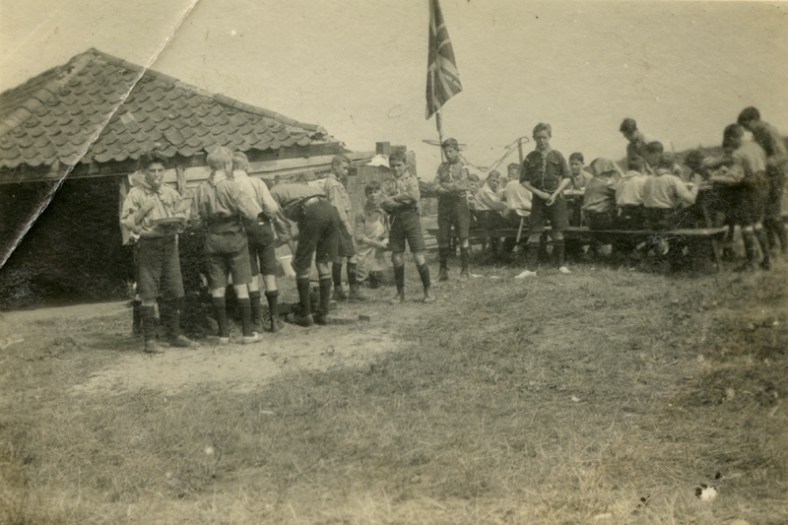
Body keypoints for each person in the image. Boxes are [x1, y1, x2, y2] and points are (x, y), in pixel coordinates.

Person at [121, 151, 195, 353]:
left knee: (173, 291)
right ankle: (150, 340)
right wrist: (144, 209)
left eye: (160, 170)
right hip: (148, 247)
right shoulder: (135, 195)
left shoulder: (170, 192)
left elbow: (183, 213)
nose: (157, 175)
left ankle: (174, 334)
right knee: (148, 292)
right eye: (152, 171)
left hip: (170, 245)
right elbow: (127, 222)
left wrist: (181, 217)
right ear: (144, 172)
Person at [192, 146, 264, 344]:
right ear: (226, 164)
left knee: (217, 287)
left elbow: (195, 221)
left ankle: (223, 335)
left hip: (213, 239)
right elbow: (251, 213)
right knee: (241, 285)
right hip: (235, 238)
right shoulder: (234, 187)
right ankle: (248, 333)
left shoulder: (200, 189)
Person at [269, 181, 340, 326]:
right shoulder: (295, 188)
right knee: (323, 262)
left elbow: (282, 226)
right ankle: (324, 313)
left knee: (302, 267)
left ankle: (305, 314)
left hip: (312, 212)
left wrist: (296, 254)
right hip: (330, 210)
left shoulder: (271, 194)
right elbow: (306, 227)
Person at [232, 152, 288, 333]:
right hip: (262, 227)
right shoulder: (256, 182)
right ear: (246, 166)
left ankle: (256, 321)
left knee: (251, 274)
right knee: (269, 272)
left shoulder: (228, 185)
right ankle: (274, 319)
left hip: (241, 230)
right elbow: (271, 207)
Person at [704, 124, 771, 271]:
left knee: (747, 225)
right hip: (763, 185)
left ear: (732, 137)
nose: (730, 144)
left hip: (749, 188)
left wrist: (714, 179)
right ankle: (767, 259)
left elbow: (734, 179)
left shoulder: (738, 153)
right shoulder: (755, 146)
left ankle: (751, 263)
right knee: (758, 223)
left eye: (729, 140)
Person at [376, 149, 435, 303]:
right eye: (393, 166)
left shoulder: (411, 179)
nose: (396, 168)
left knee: (418, 255)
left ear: (405, 165)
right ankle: (400, 293)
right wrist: (398, 201)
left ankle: (428, 290)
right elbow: (381, 200)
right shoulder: (387, 183)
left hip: (411, 218)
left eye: (399, 165)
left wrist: (394, 199)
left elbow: (414, 195)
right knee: (396, 256)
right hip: (395, 219)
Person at [517, 122, 572, 277]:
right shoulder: (530, 157)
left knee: (558, 231)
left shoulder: (557, 155)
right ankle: (531, 269)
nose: (541, 140)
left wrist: (555, 194)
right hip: (538, 200)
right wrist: (539, 194)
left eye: (544, 137)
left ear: (550, 137)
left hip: (557, 199)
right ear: (534, 138)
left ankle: (561, 265)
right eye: (538, 137)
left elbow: (567, 177)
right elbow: (523, 181)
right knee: (535, 231)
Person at [738, 106, 788, 254]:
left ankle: (785, 246)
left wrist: (762, 162)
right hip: (764, 177)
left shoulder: (769, 131)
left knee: (773, 213)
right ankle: (772, 246)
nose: (746, 130)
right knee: (764, 213)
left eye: (747, 126)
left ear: (754, 120)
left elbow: (783, 155)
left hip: (775, 176)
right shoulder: (757, 133)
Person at [324, 154, 365, 302]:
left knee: (340, 256)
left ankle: (338, 290)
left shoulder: (335, 182)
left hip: (337, 224)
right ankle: (353, 290)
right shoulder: (334, 184)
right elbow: (338, 207)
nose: (346, 171)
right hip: (340, 224)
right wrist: (347, 225)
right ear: (335, 166)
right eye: (344, 168)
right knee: (351, 255)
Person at [434, 137, 473, 280]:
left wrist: (445, 186)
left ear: (457, 151)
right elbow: (435, 185)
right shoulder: (441, 167)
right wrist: (446, 188)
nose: (448, 154)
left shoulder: (464, 166)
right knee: (443, 236)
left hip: (459, 204)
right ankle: (443, 271)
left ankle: (465, 270)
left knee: (463, 236)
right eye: (446, 152)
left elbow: (462, 185)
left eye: (450, 151)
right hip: (444, 204)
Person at [354, 182, 389, 289]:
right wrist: (376, 243)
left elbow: (387, 231)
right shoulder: (361, 213)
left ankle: (377, 278)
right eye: (370, 193)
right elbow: (359, 237)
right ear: (366, 195)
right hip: (365, 246)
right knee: (361, 267)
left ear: (380, 193)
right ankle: (360, 283)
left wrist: (384, 241)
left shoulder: (384, 211)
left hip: (380, 246)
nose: (373, 195)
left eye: (375, 192)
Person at [474, 170, 508, 258]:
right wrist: (509, 205)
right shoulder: (485, 190)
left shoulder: (492, 190)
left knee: (510, 222)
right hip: (485, 217)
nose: (495, 183)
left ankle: (497, 251)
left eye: (497, 182)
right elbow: (495, 206)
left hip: (489, 216)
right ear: (487, 179)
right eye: (493, 180)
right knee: (512, 224)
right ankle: (505, 251)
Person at [614, 157, 648, 229]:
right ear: (641, 168)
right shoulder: (641, 181)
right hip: (637, 215)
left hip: (623, 214)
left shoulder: (620, 181)